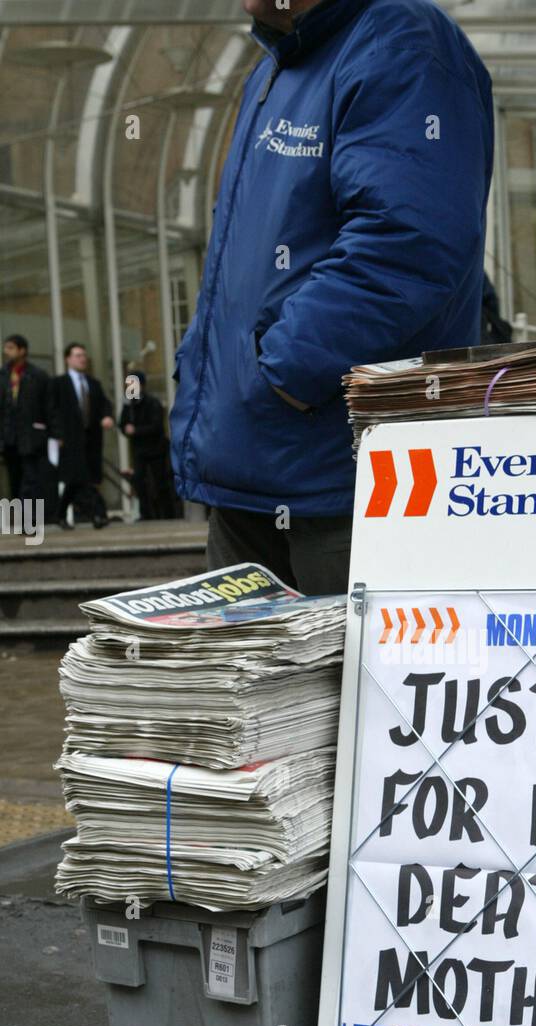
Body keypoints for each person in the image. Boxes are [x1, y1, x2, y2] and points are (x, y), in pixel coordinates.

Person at [170, 0, 494, 595]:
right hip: (256, 468)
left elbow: (407, 244)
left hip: (342, 478)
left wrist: (283, 375)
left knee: (350, 686)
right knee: (255, 688)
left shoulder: (400, 45)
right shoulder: (277, 65)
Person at [48, 343, 114, 528]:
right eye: (77, 355)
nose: (82, 358)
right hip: (69, 440)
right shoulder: (59, 384)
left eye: (84, 355)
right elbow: (51, 411)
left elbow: (104, 404)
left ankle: (60, 515)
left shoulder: (94, 384)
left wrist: (107, 416)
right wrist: (57, 435)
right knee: (82, 479)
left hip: (92, 440)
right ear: (68, 359)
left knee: (77, 480)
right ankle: (98, 515)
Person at [0, 335, 54, 517]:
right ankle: (19, 519)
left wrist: (52, 432)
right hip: (9, 436)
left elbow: (49, 407)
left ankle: (32, 519)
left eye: (10, 348)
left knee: (30, 479)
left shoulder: (37, 375)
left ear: (22, 350)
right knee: (14, 479)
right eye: (5, 348)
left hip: (31, 436)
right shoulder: (3, 375)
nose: (6, 352)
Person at [118, 372, 177, 521]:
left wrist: (136, 430)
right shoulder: (129, 404)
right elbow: (122, 423)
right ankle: (146, 514)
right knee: (139, 481)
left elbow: (156, 426)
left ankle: (168, 514)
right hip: (139, 450)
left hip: (156, 449)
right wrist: (126, 428)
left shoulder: (152, 403)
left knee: (160, 482)